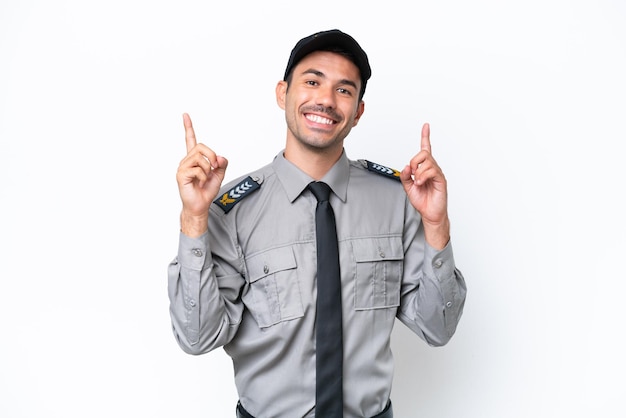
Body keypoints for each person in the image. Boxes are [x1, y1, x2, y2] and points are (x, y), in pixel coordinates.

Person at [168, 29, 467, 418]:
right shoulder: (231, 209)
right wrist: (194, 218)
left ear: (358, 112)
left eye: (344, 90)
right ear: (282, 93)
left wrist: (436, 224)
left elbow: (437, 328)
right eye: (312, 82)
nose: (326, 100)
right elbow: (198, 337)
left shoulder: (398, 199)